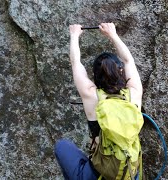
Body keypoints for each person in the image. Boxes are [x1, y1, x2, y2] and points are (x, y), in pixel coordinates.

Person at [54, 23, 143, 179]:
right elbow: (128, 60)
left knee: (61, 146)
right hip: (128, 173)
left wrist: (74, 35)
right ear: (121, 71)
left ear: (94, 75)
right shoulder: (134, 94)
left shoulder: (91, 95)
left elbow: (76, 63)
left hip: (99, 174)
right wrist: (112, 34)